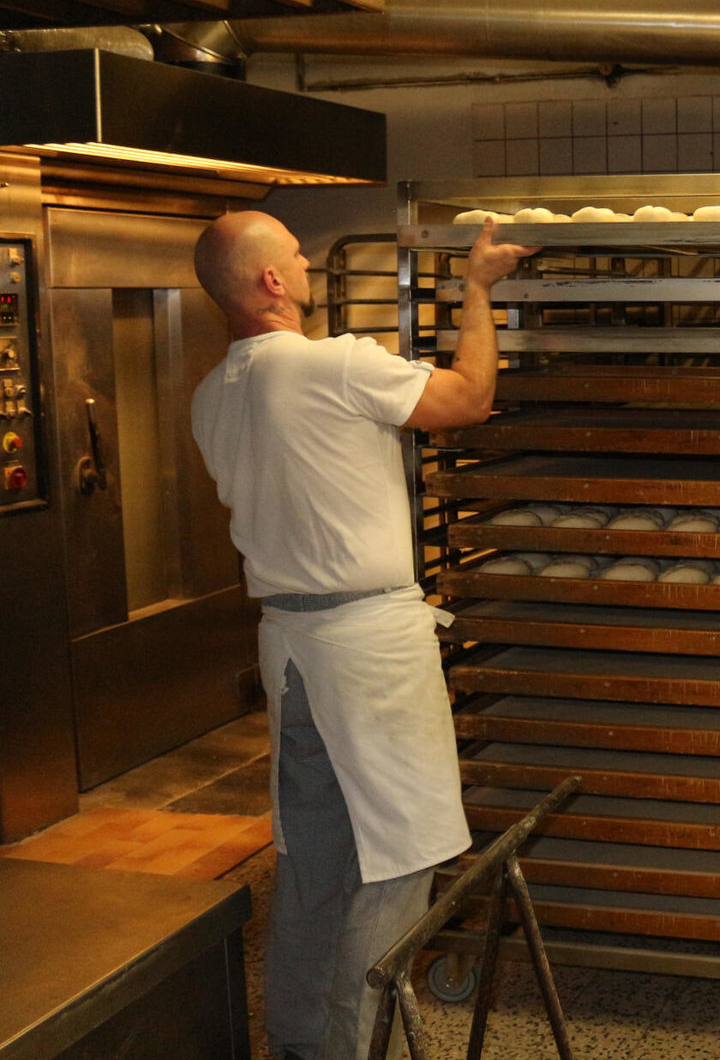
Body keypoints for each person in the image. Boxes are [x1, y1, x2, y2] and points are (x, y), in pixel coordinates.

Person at [190, 211, 533, 1060]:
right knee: (401, 856)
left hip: (290, 647)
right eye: (296, 254)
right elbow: (469, 400)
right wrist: (478, 288)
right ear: (272, 282)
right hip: (366, 644)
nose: (307, 262)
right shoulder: (333, 365)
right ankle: (355, 1045)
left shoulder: (211, 394)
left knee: (317, 854)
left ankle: (300, 1042)